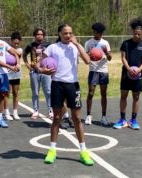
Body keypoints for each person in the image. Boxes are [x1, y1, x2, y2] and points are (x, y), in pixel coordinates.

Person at [41, 24, 94, 165]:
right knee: (57, 118)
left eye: (70, 33)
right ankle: (52, 150)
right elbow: (41, 63)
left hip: (73, 85)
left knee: (76, 118)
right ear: (59, 34)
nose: (68, 35)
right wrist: (43, 69)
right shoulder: (53, 47)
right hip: (57, 84)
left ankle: (83, 151)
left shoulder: (75, 47)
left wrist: (77, 44)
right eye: (65, 33)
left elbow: (88, 61)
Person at [113, 17, 142, 130]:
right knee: (123, 95)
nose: (137, 36)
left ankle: (133, 120)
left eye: (139, 34)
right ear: (132, 32)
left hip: (137, 76)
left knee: (136, 96)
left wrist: (138, 70)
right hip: (126, 74)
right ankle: (122, 120)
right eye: (135, 33)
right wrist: (128, 68)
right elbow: (123, 58)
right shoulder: (126, 44)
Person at [84, 22, 112, 126]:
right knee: (91, 93)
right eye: (97, 32)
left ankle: (103, 116)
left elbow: (109, 58)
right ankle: (88, 115)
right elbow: (85, 57)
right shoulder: (88, 43)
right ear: (94, 32)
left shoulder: (105, 43)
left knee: (103, 93)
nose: (99, 34)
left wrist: (107, 52)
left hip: (104, 70)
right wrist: (90, 56)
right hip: (93, 70)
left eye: (101, 33)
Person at [23, 28, 52, 119]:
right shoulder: (30, 46)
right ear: (34, 36)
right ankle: (35, 110)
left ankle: (50, 110)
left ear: (43, 36)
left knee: (48, 91)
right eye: (37, 34)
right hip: (34, 72)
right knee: (35, 92)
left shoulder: (48, 45)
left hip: (45, 72)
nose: (39, 36)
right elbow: (24, 55)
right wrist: (27, 64)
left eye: (41, 34)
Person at [4, 31, 22, 121]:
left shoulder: (20, 50)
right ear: (11, 41)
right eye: (15, 43)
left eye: (18, 43)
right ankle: (7, 112)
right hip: (7, 74)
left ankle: (15, 112)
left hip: (16, 74)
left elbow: (18, 54)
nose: (16, 45)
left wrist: (17, 66)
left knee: (15, 93)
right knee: (7, 93)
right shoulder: (6, 50)